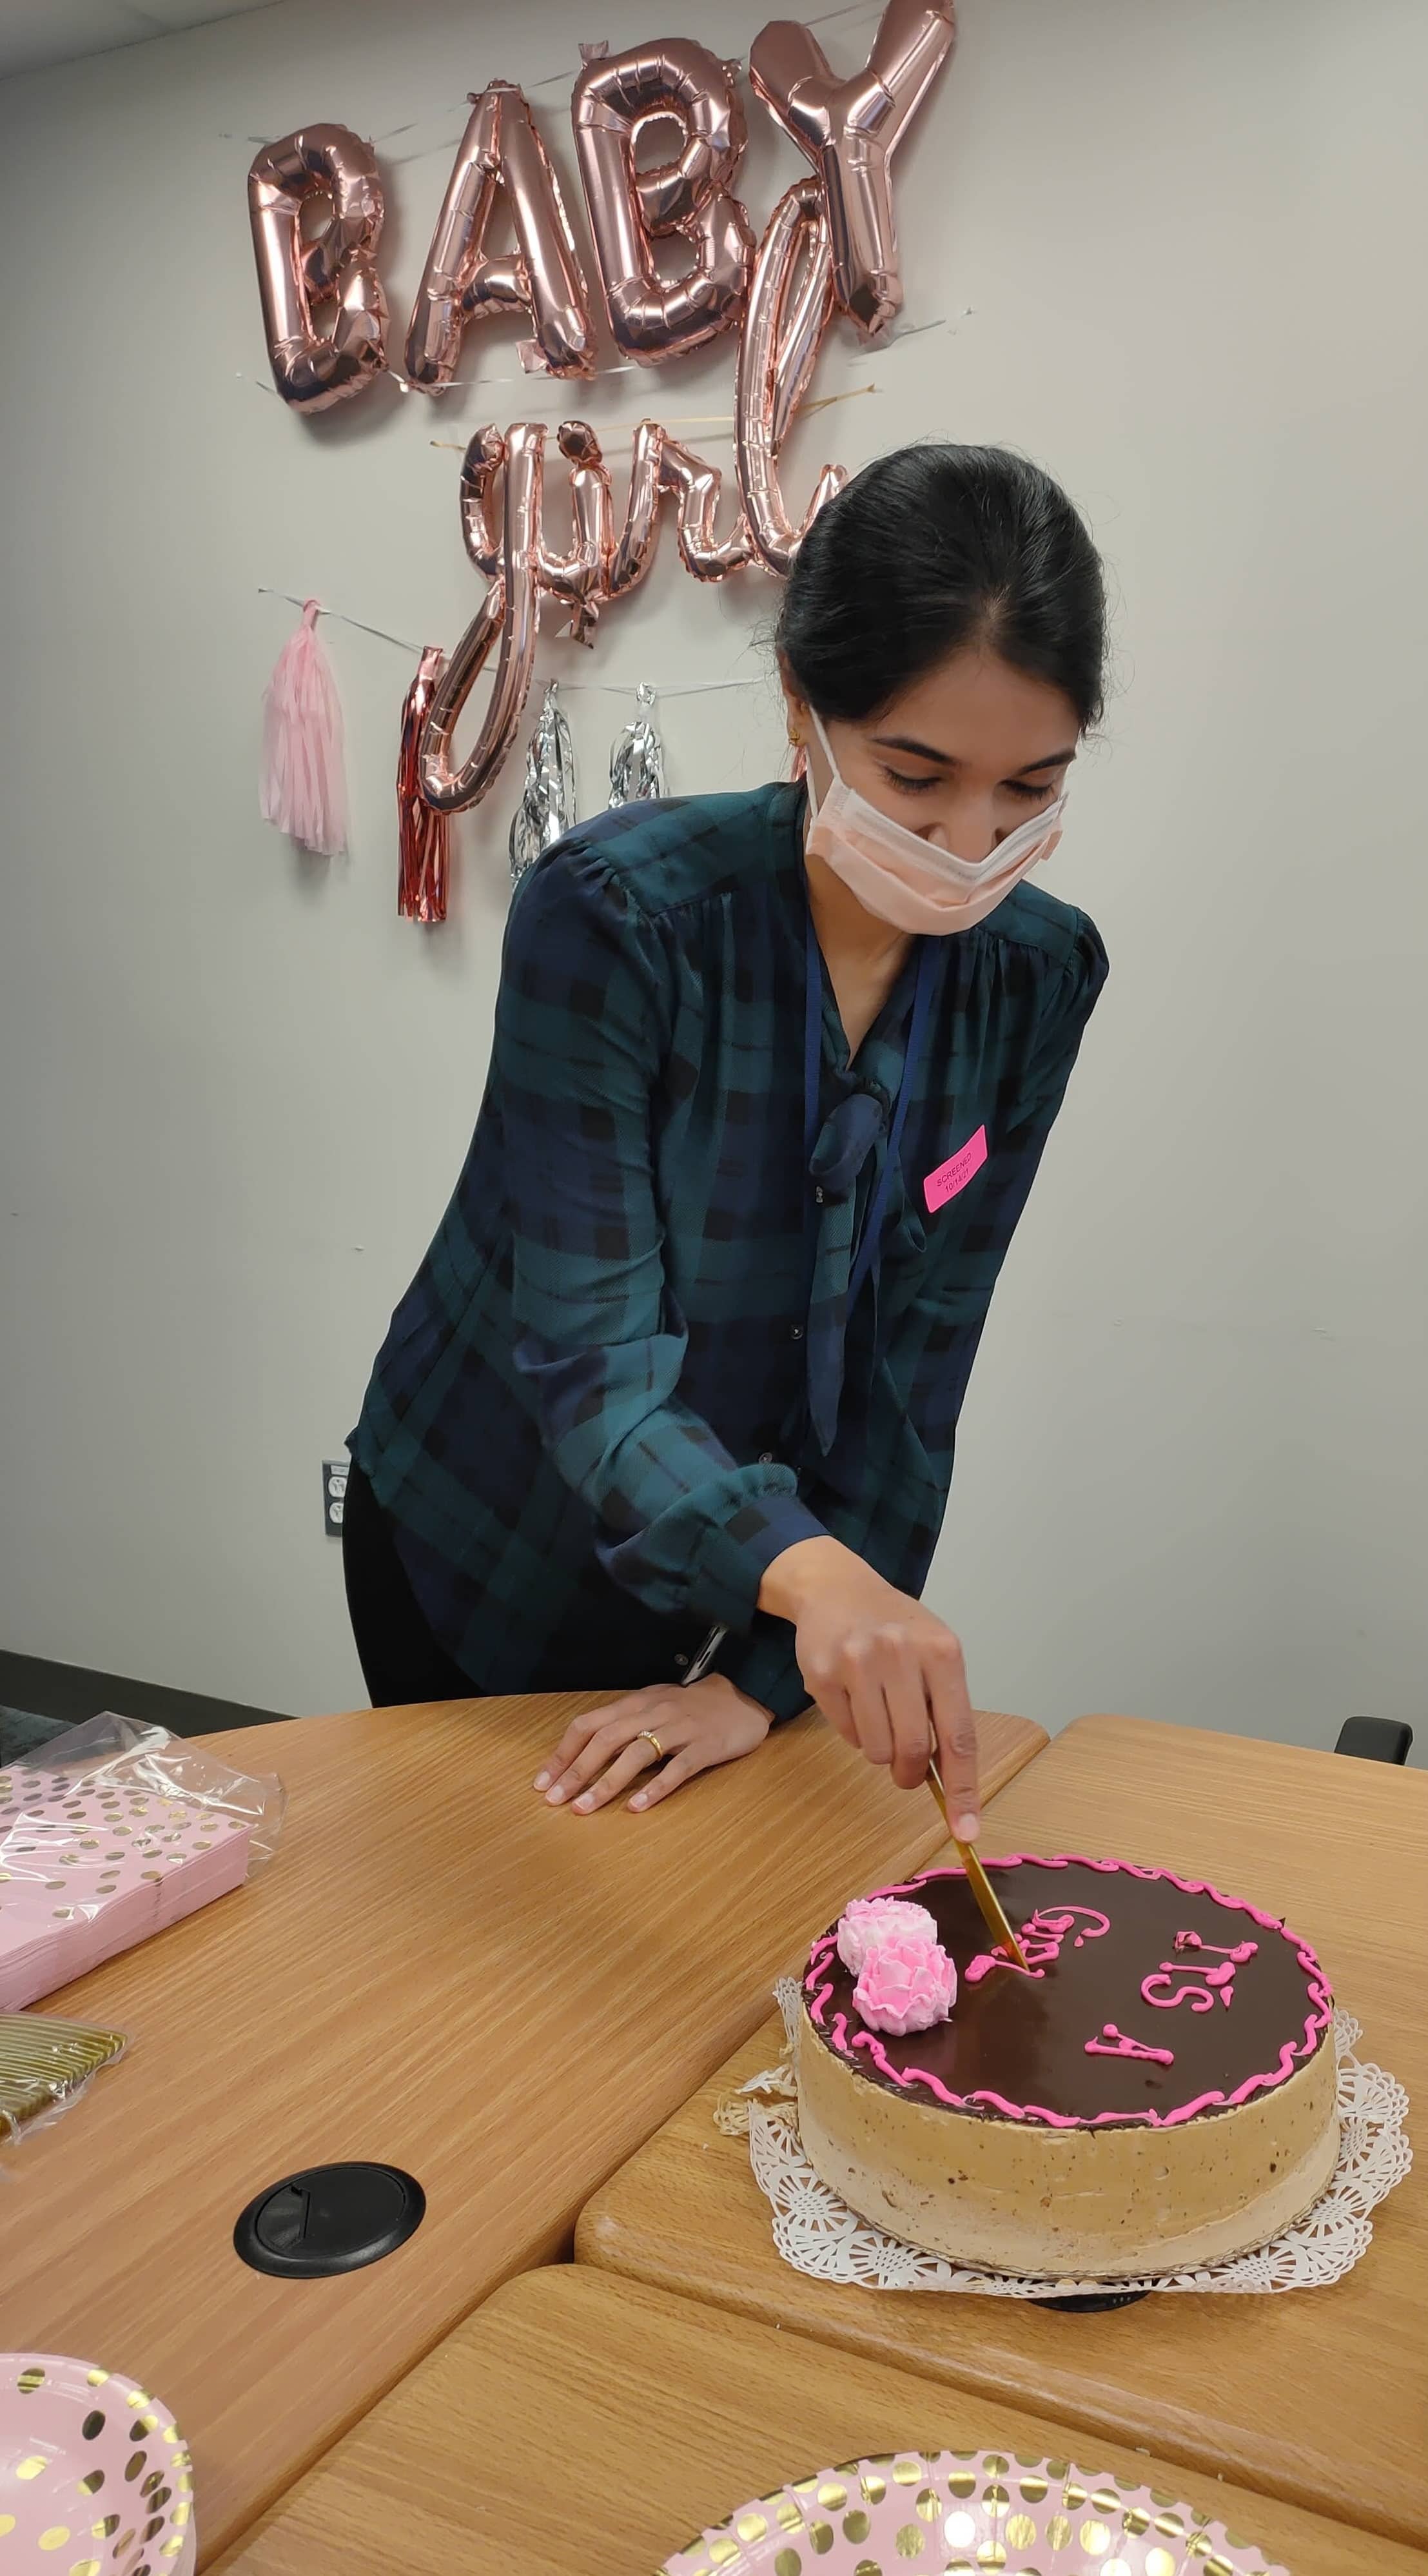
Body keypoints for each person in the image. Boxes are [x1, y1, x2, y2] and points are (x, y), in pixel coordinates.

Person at [344, 442, 1108, 1831]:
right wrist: (815, 1581)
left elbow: (915, 1372)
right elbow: (592, 1361)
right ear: (798, 706)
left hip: (750, 1569)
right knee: (493, 1938)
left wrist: (761, 1677)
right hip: (494, 1528)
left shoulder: (1038, 977)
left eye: (1030, 790)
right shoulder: (622, 920)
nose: (968, 842)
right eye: (916, 776)